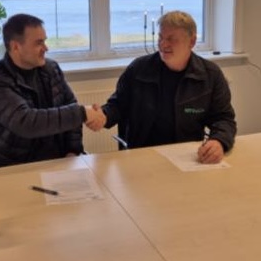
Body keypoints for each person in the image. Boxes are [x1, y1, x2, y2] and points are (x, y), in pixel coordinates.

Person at [97, 10, 236, 164]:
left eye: (171, 39)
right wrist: (103, 115)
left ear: (192, 42)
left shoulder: (210, 74)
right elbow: (118, 105)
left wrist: (219, 141)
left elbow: (224, 119)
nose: (163, 44)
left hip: (188, 157)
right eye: (160, 37)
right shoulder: (138, 69)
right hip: (141, 156)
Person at [0, 13, 105, 168]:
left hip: (57, 162)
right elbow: (25, 122)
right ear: (15, 46)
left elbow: (70, 105)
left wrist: (72, 151)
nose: (46, 48)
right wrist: (82, 113)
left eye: (44, 41)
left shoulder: (51, 69)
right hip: (12, 167)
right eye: (39, 43)